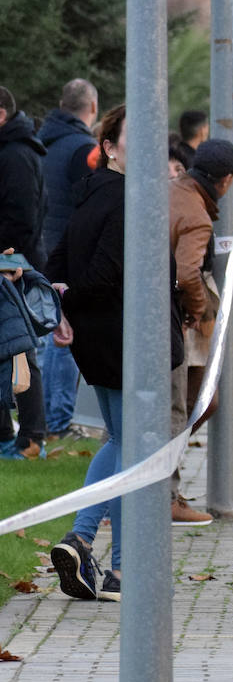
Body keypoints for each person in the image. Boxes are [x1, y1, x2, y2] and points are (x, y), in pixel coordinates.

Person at [47, 104, 185, 602]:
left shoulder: (91, 195)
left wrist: (62, 303)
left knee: (121, 441)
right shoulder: (127, 199)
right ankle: (84, 538)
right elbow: (105, 273)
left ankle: (119, 572)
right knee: (131, 448)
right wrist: (69, 299)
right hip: (126, 341)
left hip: (96, 339)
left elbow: (58, 259)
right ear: (108, 147)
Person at [167, 139, 233, 526]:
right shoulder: (197, 215)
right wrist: (198, 310)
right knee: (185, 405)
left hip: (164, 310)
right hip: (178, 316)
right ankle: (163, 493)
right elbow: (186, 273)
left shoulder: (174, 192)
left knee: (194, 402)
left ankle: (158, 487)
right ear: (228, 180)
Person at [37, 78, 98, 440]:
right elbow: (87, 206)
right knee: (61, 340)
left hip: (38, 248)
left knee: (44, 338)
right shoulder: (83, 149)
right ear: (92, 108)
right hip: (66, 255)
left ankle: (42, 419)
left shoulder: (41, 141)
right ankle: (58, 421)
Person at [0, 85, 48, 459]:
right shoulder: (14, 149)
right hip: (12, 262)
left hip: (12, 266)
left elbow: (21, 218)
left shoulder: (15, 154)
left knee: (19, 350)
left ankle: (31, 438)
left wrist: (8, 261)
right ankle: (10, 434)